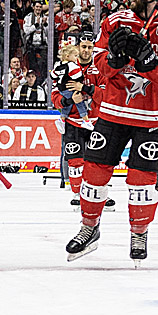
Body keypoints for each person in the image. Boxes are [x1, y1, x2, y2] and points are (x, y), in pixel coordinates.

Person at [66, 0, 158, 262]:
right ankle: (89, 228)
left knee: (141, 182)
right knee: (94, 174)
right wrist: (114, 58)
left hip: (153, 117)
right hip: (112, 112)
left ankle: (139, 233)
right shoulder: (115, 21)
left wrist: (148, 61)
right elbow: (98, 67)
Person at [50, 32, 116, 209]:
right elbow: (55, 94)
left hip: (98, 121)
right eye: (83, 47)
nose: (86, 51)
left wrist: (85, 88)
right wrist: (68, 100)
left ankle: (100, 195)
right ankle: (77, 194)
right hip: (73, 121)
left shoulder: (101, 67)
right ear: (77, 48)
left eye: (89, 47)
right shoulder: (66, 66)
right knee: (75, 160)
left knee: (101, 162)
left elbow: (107, 96)